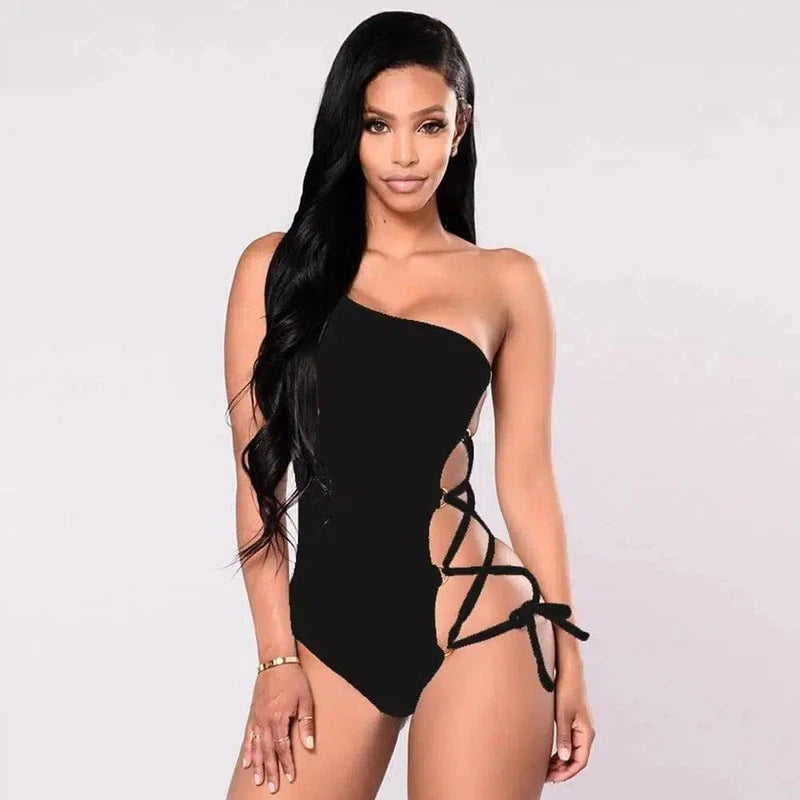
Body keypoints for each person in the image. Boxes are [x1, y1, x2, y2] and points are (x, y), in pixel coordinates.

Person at [223, 11, 595, 799]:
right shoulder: (273, 269)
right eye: (377, 125)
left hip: (479, 618)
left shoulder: (507, 281)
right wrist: (275, 658)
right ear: (347, 130)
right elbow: (257, 481)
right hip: (327, 635)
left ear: (461, 128)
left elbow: (527, 479)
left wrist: (569, 655)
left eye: (428, 125)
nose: (403, 154)